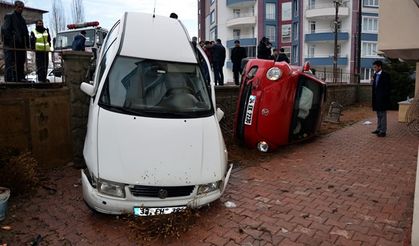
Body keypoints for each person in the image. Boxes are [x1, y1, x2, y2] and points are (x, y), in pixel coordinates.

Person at [1, 1, 30, 82]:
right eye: (19, 7)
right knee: (10, 62)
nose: (20, 9)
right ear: (15, 7)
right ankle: (9, 79)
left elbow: (25, 32)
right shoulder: (9, 16)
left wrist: (27, 43)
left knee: (20, 62)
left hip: (20, 45)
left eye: (22, 7)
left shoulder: (22, 20)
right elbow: (5, 29)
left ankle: (20, 78)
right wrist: (11, 40)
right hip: (11, 45)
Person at [371, 60, 391, 137]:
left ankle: (383, 131)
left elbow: (387, 88)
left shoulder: (386, 75)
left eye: (375, 67)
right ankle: (378, 129)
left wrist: (384, 97)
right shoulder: (375, 75)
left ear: (380, 67)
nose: (374, 69)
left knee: (383, 115)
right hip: (376, 99)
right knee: (378, 115)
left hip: (383, 99)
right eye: (374, 67)